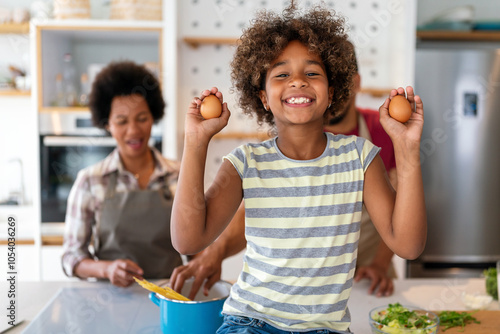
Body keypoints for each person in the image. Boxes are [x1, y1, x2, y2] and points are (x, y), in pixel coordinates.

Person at [171, 5, 426, 334]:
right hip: (251, 323)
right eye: (281, 74)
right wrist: (196, 142)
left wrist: (407, 149)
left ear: (332, 92)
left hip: (325, 327)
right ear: (263, 97)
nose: (297, 82)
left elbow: (408, 245)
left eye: (312, 73)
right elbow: (187, 239)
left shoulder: (360, 158)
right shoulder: (246, 162)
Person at [61, 61, 184, 287]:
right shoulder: (90, 181)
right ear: (107, 123)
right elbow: (71, 257)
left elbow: (198, 251)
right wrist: (106, 269)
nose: (133, 131)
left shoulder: (179, 175)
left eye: (142, 118)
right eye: (121, 121)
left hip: (170, 297)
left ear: (154, 117)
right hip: (109, 298)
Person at [324, 42, 397, 297]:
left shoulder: (382, 130)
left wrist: (380, 264)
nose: (331, 94)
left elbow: (399, 207)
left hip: (372, 276)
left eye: (341, 83)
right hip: (317, 282)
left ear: (356, 82)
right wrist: (216, 252)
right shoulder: (300, 138)